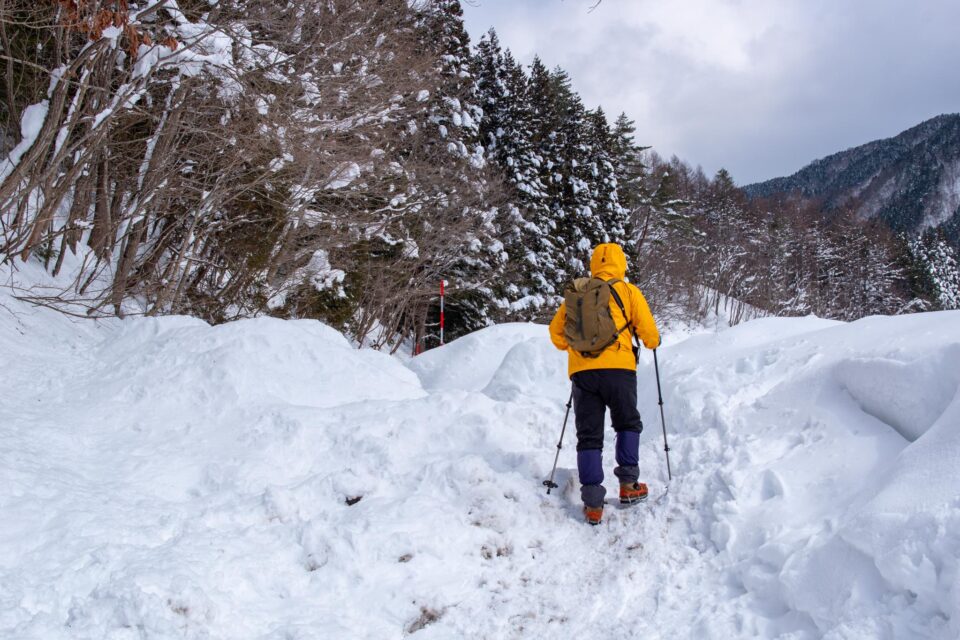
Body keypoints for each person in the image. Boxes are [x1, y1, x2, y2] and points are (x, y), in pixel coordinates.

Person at [548, 242, 660, 525]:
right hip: (619, 370)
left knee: (589, 436)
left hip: (583, 373)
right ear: (621, 263)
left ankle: (593, 502)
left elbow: (557, 335)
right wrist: (653, 341)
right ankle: (629, 485)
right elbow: (649, 334)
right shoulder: (628, 291)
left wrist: (578, 349)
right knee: (626, 423)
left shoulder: (579, 293)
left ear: (594, 264)